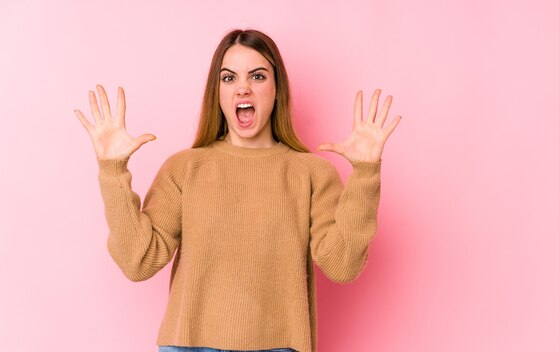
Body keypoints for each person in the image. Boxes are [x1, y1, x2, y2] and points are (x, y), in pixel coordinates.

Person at [74, 29, 401, 352]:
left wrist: (365, 173)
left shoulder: (312, 173)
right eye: (228, 78)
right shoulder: (186, 168)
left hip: (279, 347)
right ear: (217, 92)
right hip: (189, 345)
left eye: (257, 77)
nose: (243, 88)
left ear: (277, 89)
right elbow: (137, 262)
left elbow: (343, 264)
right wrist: (112, 169)